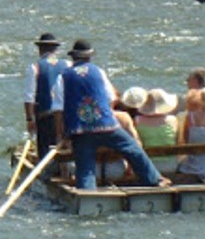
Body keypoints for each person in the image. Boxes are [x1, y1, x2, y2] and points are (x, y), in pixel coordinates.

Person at [54, 40, 168, 190]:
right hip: (106, 125)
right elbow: (111, 99)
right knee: (132, 148)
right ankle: (154, 180)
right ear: (89, 57)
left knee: (85, 167)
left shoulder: (62, 77)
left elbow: (58, 111)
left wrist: (62, 134)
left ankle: (87, 194)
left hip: (80, 130)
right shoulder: (98, 72)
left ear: (74, 58)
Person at [22, 32, 71, 156]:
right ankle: (65, 171)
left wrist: (30, 119)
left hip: (46, 116)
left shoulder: (35, 67)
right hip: (65, 114)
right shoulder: (67, 65)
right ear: (55, 50)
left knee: (45, 148)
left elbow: (29, 97)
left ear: (40, 49)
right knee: (65, 146)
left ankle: (46, 172)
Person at [135, 88, 180, 176]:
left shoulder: (137, 121)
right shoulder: (172, 120)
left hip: (148, 165)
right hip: (170, 165)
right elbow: (178, 140)